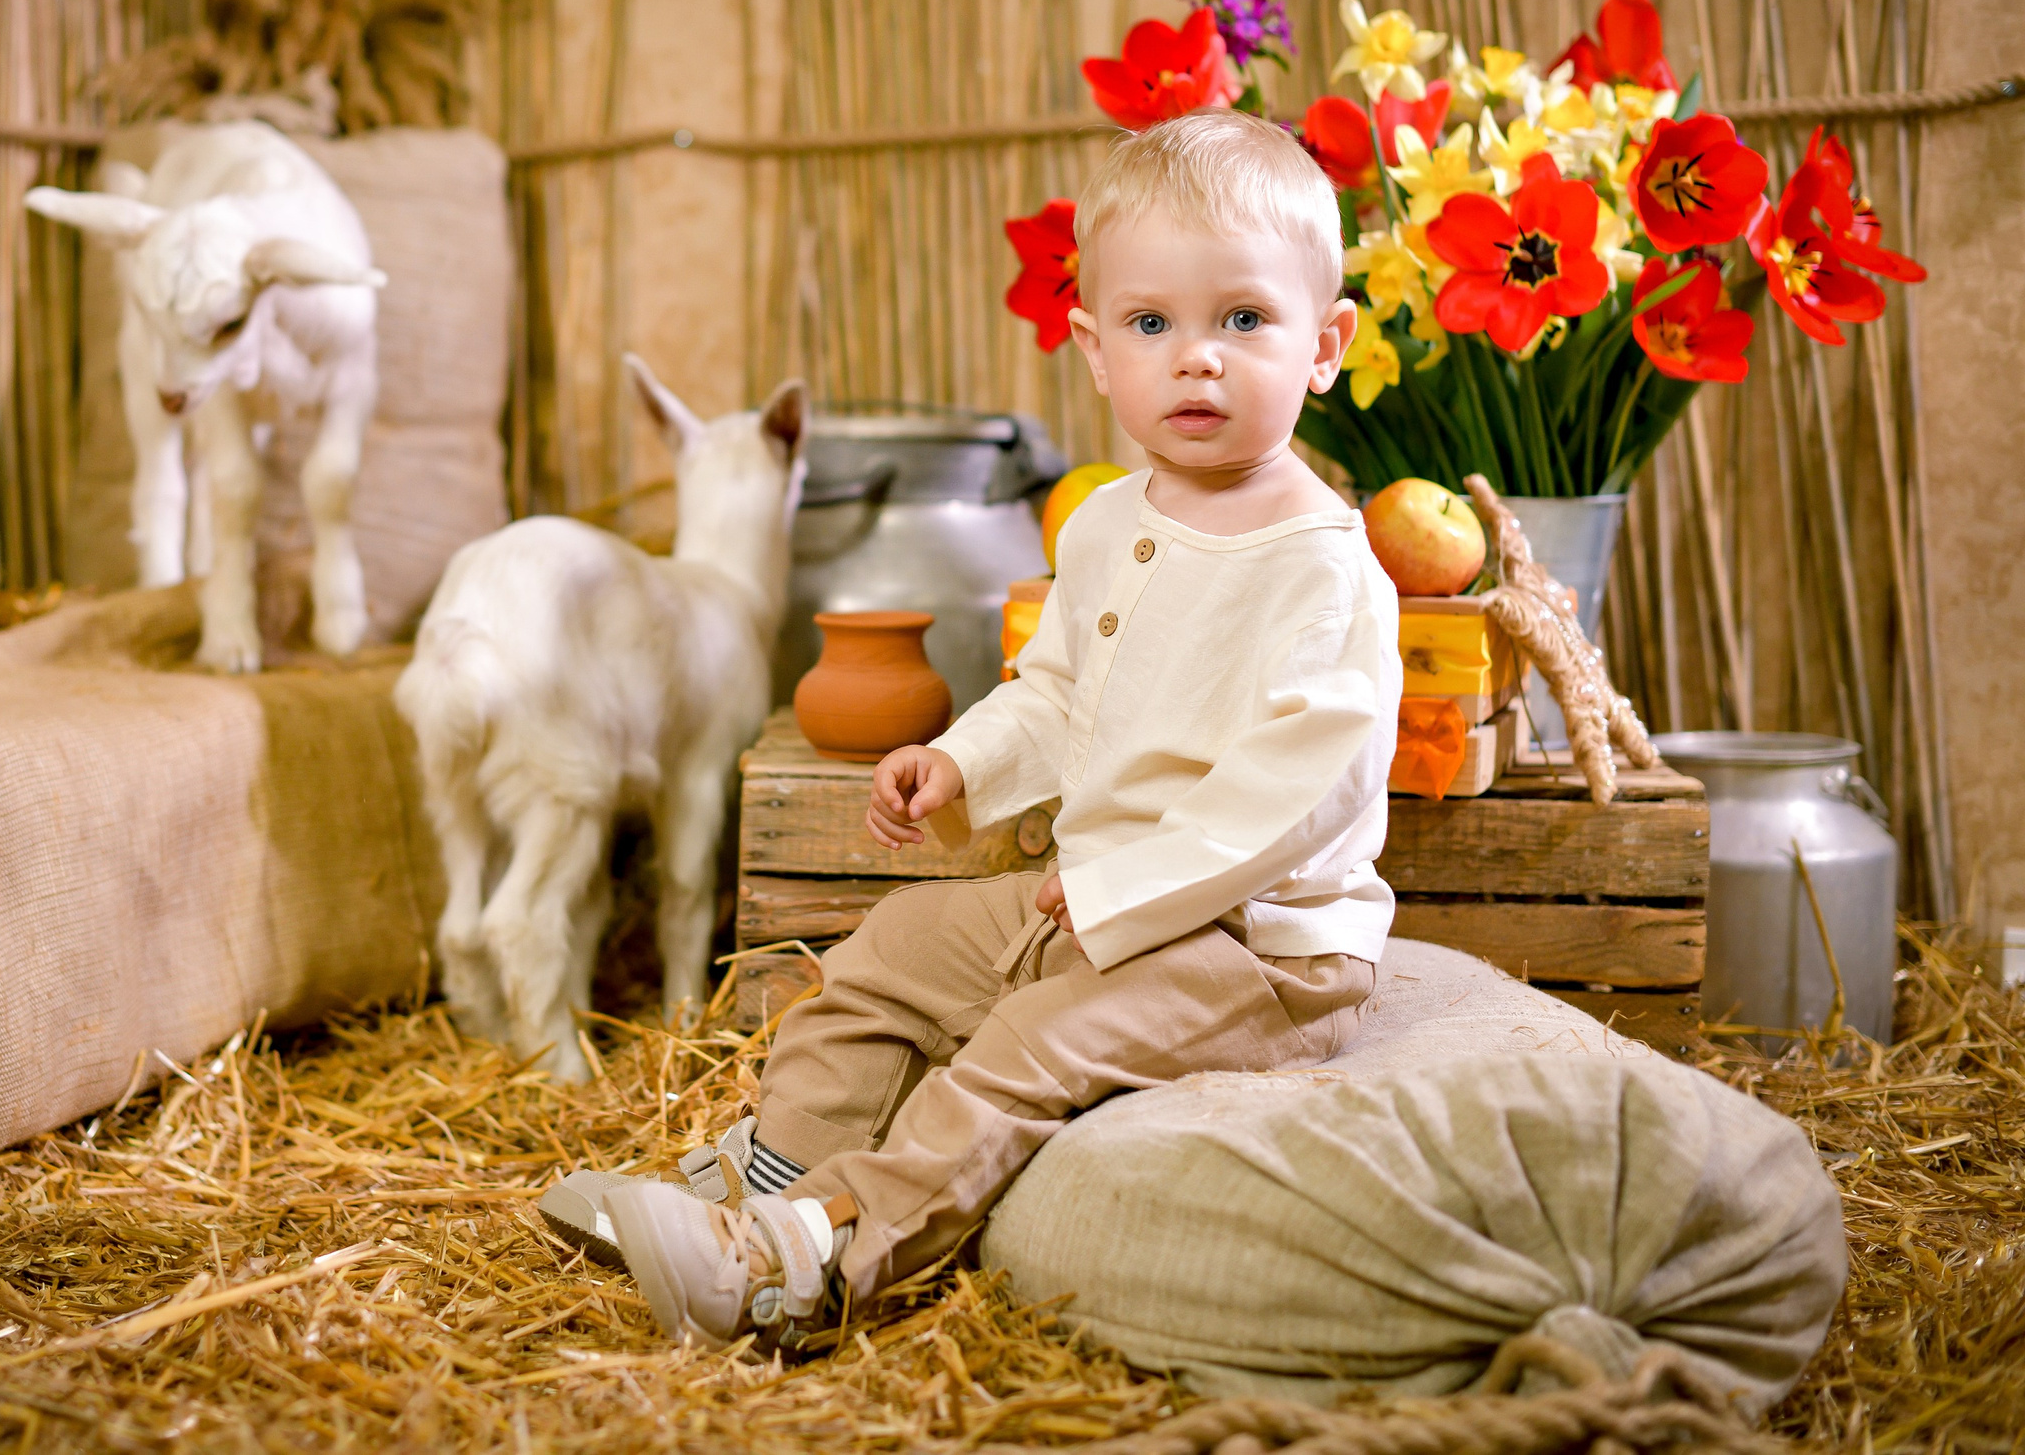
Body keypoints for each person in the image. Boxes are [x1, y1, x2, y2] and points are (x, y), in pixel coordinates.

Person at [549, 107, 1400, 1348]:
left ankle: (816, 1259)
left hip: (1253, 948)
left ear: (1324, 346)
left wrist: (1115, 886)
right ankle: (766, 1179)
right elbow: (1059, 692)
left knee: (1021, 1052)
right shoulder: (1106, 526)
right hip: (1087, 900)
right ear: (1095, 351)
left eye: (1244, 321)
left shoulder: (1323, 567)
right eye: (1152, 325)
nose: (1197, 359)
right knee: (884, 955)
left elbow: (1295, 796)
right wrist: (961, 762)